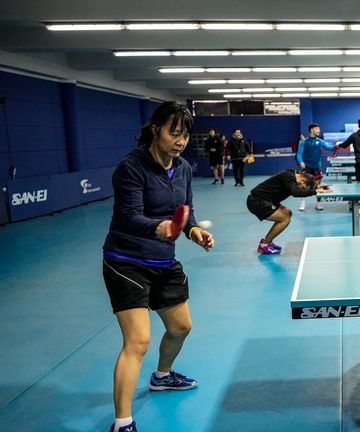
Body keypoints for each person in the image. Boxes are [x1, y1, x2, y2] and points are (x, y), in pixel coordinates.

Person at [102, 102, 215, 432]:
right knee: (137, 342)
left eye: (185, 135)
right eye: (173, 133)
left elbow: (187, 213)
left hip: (163, 261)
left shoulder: (183, 169)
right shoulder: (131, 167)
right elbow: (127, 216)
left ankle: (162, 377)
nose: (180, 141)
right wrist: (159, 228)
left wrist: (195, 233)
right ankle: (122, 422)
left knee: (181, 327)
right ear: (156, 130)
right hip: (126, 261)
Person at [247, 170, 330, 254]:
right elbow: (296, 192)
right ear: (302, 180)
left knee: (288, 213)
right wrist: (315, 192)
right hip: (257, 201)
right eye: (303, 187)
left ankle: (268, 241)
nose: (302, 189)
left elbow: (298, 189)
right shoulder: (288, 176)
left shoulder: (292, 177)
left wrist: (317, 188)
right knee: (285, 219)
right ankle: (264, 245)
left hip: (266, 201)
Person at [296, 123, 336, 211]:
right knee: (304, 186)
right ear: (311, 130)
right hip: (307, 167)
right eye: (317, 129)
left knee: (317, 185)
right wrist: (301, 162)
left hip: (317, 167)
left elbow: (330, 148)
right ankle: (302, 203)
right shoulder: (304, 142)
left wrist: (336, 146)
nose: (319, 130)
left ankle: (318, 203)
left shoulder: (320, 141)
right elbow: (299, 153)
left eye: (319, 129)